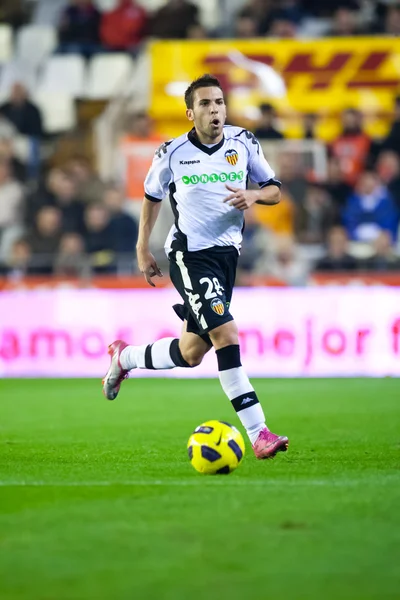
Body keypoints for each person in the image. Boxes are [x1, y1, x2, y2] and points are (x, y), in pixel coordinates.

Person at [102, 74, 289, 460]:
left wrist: (254, 195)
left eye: (219, 102)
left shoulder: (244, 142)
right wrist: (142, 246)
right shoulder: (171, 152)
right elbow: (151, 197)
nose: (214, 109)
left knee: (191, 352)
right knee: (227, 335)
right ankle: (259, 433)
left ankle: (125, 357)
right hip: (190, 256)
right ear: (191, 113)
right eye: (205, 104)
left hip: (227, 258)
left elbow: (274, 188)